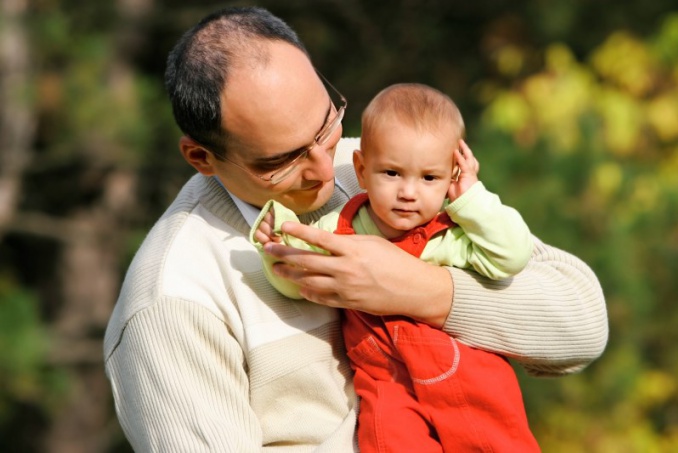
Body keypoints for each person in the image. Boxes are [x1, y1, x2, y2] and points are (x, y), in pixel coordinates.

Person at [103, 6, 608, 452]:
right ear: (200, 157)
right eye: (282, 161)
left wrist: (420, 290)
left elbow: (582, 327)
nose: (325, 169)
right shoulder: (171, 301)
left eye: (326, 125)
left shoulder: (377, 171)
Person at [250, 83, 539, 452]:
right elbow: (299, 280)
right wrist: (276, 244)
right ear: (362, 168)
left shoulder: (450, 233)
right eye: (392, 173)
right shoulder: (340, 231)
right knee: (388, 440)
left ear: (451, 178)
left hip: (465, 376)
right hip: (386, 380)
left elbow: (512, 255)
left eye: (429, 178)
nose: (408, 192)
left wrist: (473, 196)